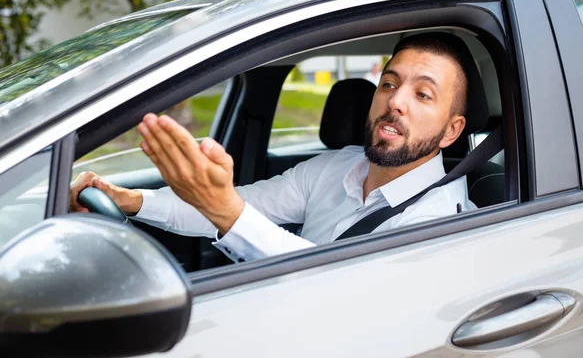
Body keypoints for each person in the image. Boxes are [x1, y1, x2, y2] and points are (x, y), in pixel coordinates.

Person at [70, 32, 475, 263]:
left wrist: (225, 210)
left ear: (451, 131)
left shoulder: (443, 224)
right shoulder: (338, 167)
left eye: (423, 95)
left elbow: (337, 290)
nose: (395, 101)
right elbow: (237, 204)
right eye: (389, 83)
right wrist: (128, 200)